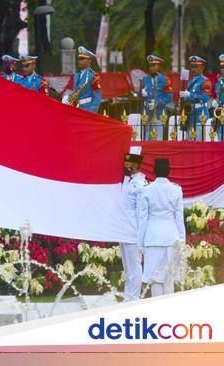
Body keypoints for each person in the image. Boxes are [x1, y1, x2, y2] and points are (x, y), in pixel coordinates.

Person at [137, 158, 186, 297]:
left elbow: (143, 219)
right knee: (169, 278)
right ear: (168, 171)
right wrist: (182, 240)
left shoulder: (147, 190)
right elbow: (179, 218)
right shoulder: (176, 190)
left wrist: (140, 242)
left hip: (153, 237)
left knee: (155, 278)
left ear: (154, 170)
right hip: (172, 237)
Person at [119, 149, 147, 301]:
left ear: (136, 164)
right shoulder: (127, 181)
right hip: (123, 229)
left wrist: (141, 237)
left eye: (128, 161)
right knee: (128, 268)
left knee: (134, 268)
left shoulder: (140, 184)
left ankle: (133, 299)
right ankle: (128, 297)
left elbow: (142, 214)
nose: (125, 164)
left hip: (133, 231)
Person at [140, 55, 173, 140]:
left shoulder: (165, 80)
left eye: (154, 65)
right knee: (147, 138)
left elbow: (169, 97)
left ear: (159, 66)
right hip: (147, 113)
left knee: (158, 138)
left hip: (159, 113)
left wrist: (156, 103)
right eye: (150, 65)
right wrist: (142, 94)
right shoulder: (144, 79)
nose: (151, 68)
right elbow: (141, 95)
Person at [180, 55, 211, 141]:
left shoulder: (205, 81)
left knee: (199, 141)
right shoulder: (190, 82)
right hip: (190, 115)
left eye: (196, 67)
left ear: (202, 68)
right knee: (190, 143)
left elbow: (205, 97)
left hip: (200, 115)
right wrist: (183, 98)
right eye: (192, 67)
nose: (193, 69)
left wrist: (190, 95)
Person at [63, 46, 102, 113]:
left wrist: (92, 111)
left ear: (89, 60)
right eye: (79, 58)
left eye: (82, 58)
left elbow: (97, 96)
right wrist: (68, 97)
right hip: (75, 108)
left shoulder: (93, 76)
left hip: (87, 108)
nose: (79, 61)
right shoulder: (76, 75)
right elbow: (75, 91)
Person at [214, 54, 224, 139]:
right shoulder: (218, 83)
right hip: (221, 113)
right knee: (220, 136)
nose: (223, 70)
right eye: (222, 68)